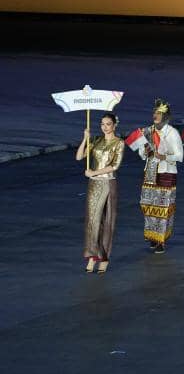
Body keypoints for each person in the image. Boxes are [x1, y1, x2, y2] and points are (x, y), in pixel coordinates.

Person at [76, 112, 124, 273]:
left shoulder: (119, 143)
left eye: (108, 124)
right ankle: (91, 256)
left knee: (108, 221)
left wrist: (94, 173)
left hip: (108, 183)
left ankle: (104, 258)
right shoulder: (96, 140)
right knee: (92, 220)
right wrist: (85, 138)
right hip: (94, 185)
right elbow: (79, 157)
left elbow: (115, 166)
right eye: (102, 124)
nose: (105, 127)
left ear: (114, 125)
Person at [138, 98, 183, 254]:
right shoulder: (147, 131)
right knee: (147, 204)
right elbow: (142, 154)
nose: (155, 115)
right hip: (150, 172)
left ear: (165, 116)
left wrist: (164, 156)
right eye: (154, 112)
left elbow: (179, 155)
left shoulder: (172, 133)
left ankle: (161, 240)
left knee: (163, 208)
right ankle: (152, 235)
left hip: (166, 172)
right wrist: (144, 152)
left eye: (159, 113)